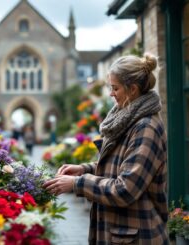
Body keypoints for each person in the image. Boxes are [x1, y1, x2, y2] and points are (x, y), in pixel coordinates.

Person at [43, 53, 169, 244]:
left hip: (138, 237)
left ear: (133, 90)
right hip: (120, 233)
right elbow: (122, 165)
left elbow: (126, 189)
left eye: (115, 88)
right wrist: (85, 169)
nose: (111, 93)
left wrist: (78, 183)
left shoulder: (146, 127)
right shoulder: (127, 119)